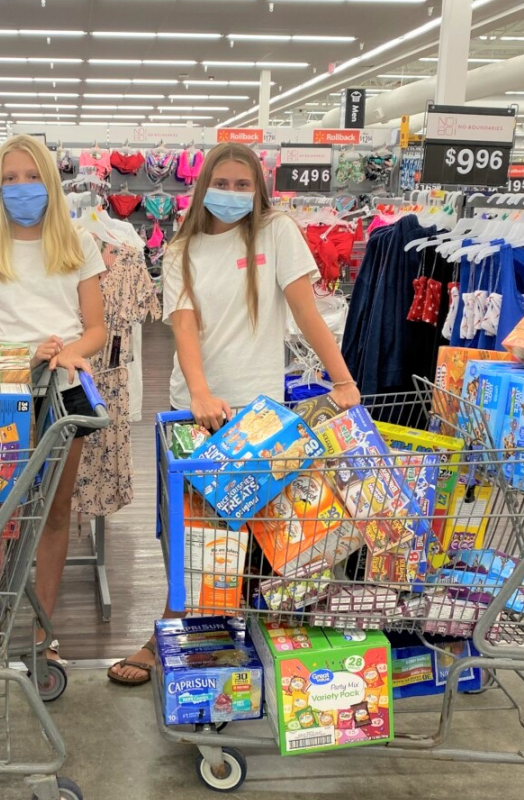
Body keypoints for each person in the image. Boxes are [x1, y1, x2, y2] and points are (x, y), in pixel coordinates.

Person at [107, 142, 361, 686]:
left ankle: (248, 642)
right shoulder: (181, 250)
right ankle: (172, 630)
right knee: (189, 535)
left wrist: (343, 379)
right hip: (194, 414)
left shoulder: (278, 233)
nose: (231, 194)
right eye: (221, 183)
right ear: (203, 188)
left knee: (258, 539)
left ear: (259, 190)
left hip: (262, 416)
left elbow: (305, 312)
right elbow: (182, 324)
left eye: (243, 185)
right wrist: (199, 393)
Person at [0, 134, 106, 703]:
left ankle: (42, 634)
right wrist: (19, 356)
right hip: (0, 397)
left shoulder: (79, 243)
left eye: (28, 176)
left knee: (54, 515)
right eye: (7, 178)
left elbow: (97, 328)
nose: (19, 188)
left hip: (62, 393)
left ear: (49, 183)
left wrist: (69, 352)